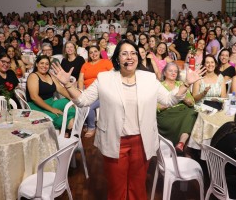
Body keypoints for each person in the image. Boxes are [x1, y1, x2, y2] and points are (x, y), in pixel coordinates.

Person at [49, 39, 205, 200]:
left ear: (137, 57)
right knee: (117, 188)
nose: (129, 57)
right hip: (115, 140)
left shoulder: (149, 78)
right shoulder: (104, 78)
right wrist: (68, 84)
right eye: (124, 53)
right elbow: (82, 101)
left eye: (133, 53)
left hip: (142, 140)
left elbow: (168, 100)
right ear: (117, 58)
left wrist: (186, 83)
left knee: (138, 187)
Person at [26, 55, 75, 131]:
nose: (44, 66)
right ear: (37, 64)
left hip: (51, 102)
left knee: (70, 102)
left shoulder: (50, 75)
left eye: (47, 64)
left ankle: (69, 123)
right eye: (42, 63)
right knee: (57, 116)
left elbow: (61, 88)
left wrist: (73, 99)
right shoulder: (33, 76)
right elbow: (34, 97)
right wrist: (52, 109)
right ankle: (70, 128)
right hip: (37, 106)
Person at [157, 62, 196, 153]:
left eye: (175, 71)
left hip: (183, 110)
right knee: (189, 115)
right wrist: (162, 106)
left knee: (192, 113)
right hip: (167, 113)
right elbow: (153, 104)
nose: (173, 73)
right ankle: (185, 148)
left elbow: (192, 102)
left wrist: (187, 100)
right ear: (164, 73)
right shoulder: (159, 85)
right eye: (170, 71)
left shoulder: (181, 84)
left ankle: (181, 144)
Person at [78, 45, 113, 138]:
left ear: (99, 52)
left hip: (102, 92)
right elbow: (81, 79)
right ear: (89, 55)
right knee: (79, 102)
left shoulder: (106, 62)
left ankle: (91, 127)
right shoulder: (85, 65)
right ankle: (85, 123)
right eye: (91, 52)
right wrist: (81, 92)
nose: (94, 54)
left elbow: (113, 76)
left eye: (95, 51)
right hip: (88, 91)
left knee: (88, 106)